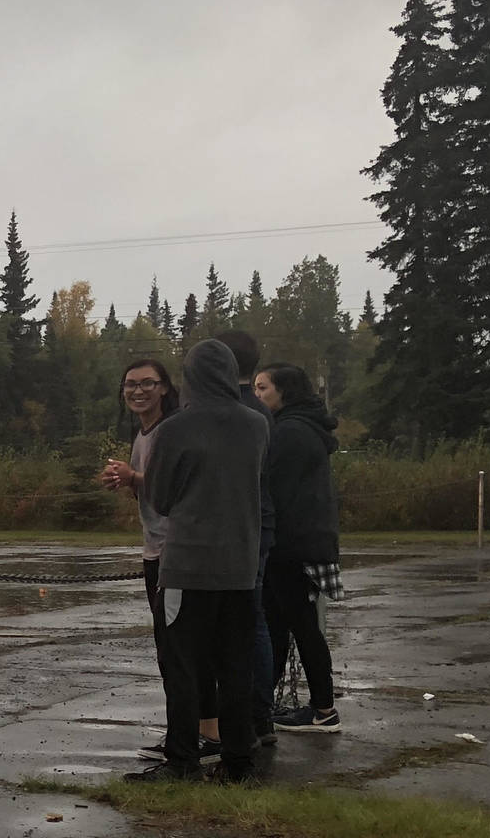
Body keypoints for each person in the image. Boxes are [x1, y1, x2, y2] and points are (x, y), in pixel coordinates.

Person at [130, 339, 269, 782]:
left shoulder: (175, 429)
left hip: (187, 565)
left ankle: (183, 759)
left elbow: (161, 497)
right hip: (241, 565)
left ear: (187, 379)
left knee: (183, 667)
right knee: (234, 667)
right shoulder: (256, 424)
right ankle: (238, 761)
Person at [99, 358, 220, 760]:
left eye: (147, 383)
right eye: (130, 384)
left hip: (177, 554)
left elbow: (180, 486)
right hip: (155, 551)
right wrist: (128, 482)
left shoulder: (171, 430)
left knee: (179, 651)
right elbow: (152, 494)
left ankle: (192, 741)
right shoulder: (143, 434)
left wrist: (134, 478)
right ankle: (201, 734)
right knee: (176, 649)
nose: (137, 391)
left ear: (166, 388)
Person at [253, 363, 344, 732]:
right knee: (280, 626)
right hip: (300, 541)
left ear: (284, 391)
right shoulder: (303, 427)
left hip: (291, 544)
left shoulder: (288, 432)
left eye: (263, 388)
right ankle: (263, 703)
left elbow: (275, 490)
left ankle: (323, 709)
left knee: (300, 628)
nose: (257, 395)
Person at [218, 330, 279, 748]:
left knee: (237, 623)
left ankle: (243, 720)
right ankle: (260, 717)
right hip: (262, 522)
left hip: (235, 527)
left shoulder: (226, 412)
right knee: (254, 621)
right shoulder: (261, 411)